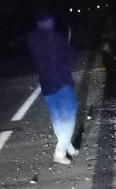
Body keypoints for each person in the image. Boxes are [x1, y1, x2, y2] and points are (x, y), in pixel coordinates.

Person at [26, 10, 79, 165]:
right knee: (70, 114)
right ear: (49, 22)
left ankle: (68, 147)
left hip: (46, 84)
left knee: (57, 117)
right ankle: (60, 151)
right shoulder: (55, 37)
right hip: (61, 81)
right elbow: (69, 55)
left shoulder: (32, 39)